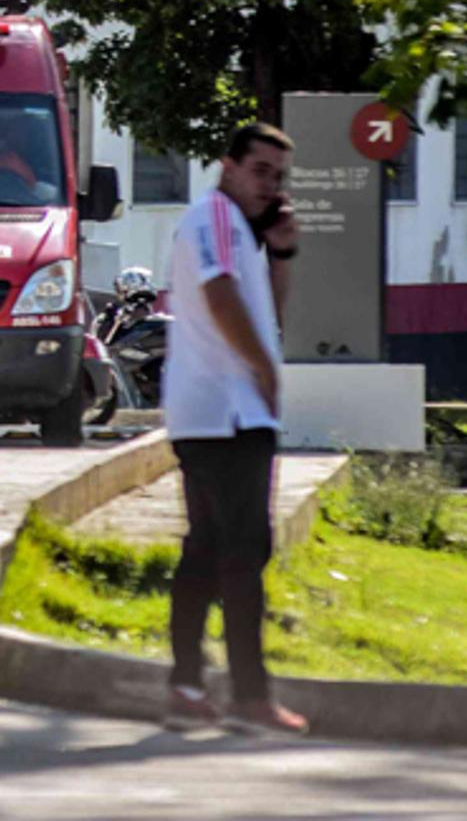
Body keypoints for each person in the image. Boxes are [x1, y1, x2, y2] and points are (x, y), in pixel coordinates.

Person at [158, 121, 308, 737]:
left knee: (207, 549)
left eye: (277, 177)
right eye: (260, 172)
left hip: (213, 412)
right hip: (228, 412)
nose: (268, 186)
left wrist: (281, 251)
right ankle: (250, 697)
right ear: (228, 166)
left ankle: (186, 686)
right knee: (245, 552)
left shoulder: (236, 229)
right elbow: (220, 295)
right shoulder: (214, 215)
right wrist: (262, 372)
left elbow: (266, 306)